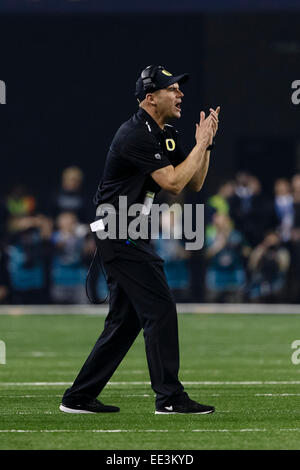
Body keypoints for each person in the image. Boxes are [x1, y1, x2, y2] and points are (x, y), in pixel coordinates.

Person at [60, 65, 220, 415]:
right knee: (160, 307)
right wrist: (201, 143)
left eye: (179, 89)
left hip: (129, 231)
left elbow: (194, 183)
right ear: (151, 97)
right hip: (120, 230)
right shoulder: (136, 133)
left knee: (126, 321)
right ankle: (170, 397)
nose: (180, 94)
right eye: (172, 89)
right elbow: (174, 183)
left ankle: (79, 396)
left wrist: (205, 146)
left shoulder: (165, 133)